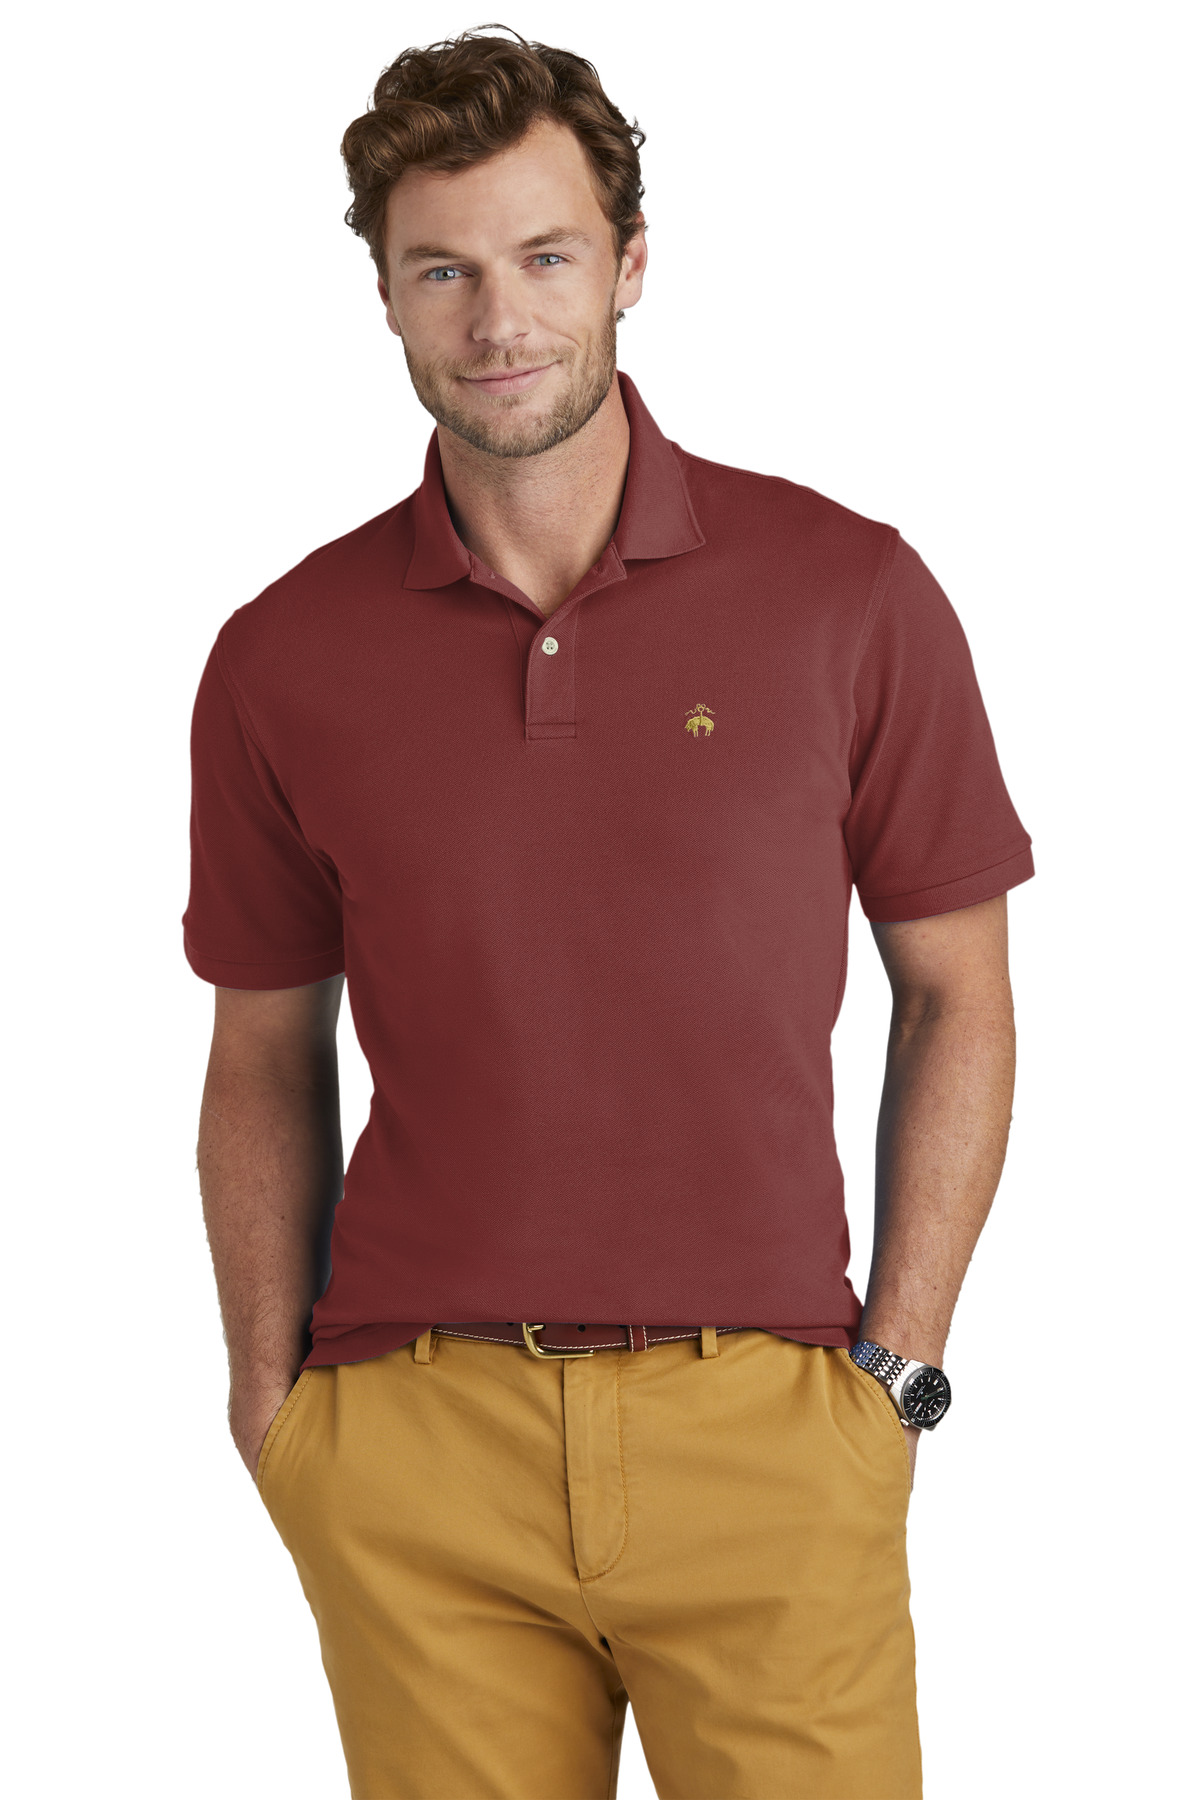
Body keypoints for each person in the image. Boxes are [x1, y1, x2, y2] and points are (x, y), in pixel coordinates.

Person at [184, 28, 1033, 1800]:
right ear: (387, 298)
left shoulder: (849, 595)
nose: (500, 319)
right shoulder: (283, 655)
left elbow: (958, 991)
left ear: (632, 263)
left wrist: (902, 1372)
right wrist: (273, 1407)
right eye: (444, 270)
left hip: (771, 1429)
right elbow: (263, 1048)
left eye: (546, 256)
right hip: (417, 1444)